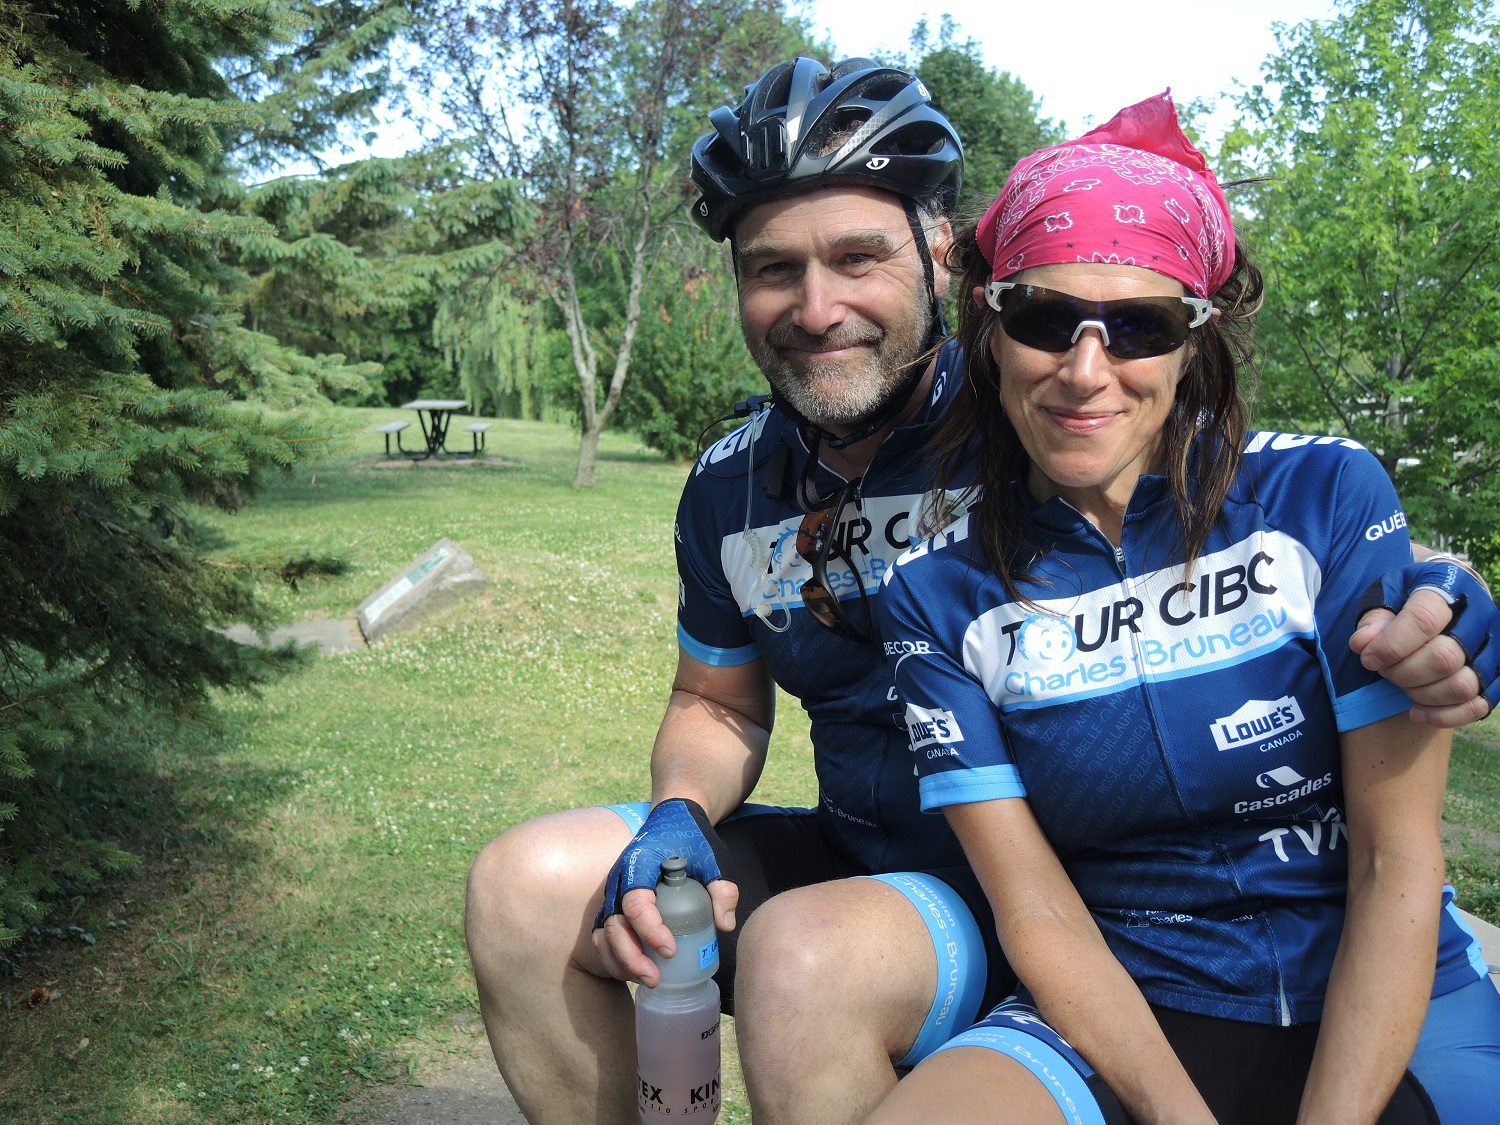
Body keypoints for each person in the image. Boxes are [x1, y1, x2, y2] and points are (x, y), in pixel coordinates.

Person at [464, 60, 1500, 1125]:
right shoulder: (733, 486)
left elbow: (1235, 498)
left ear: (943, 253)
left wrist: (1440, 596)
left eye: (857, 257)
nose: (817, 309)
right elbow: (715, 700)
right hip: (870, 849)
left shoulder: (1039, 388)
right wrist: (679, 809)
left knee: (804, 960)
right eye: (773, 269)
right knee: (526, 890)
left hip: (1048, 879)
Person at [863, 93, 1500, 1125]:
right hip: (1134, 997)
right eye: (1043, 318)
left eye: (1138, 327)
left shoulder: (1324, 498)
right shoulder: (935, 593)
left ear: (1196, 341)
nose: (1084, 369)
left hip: (1394, 984)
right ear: (990, 329)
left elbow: (1396, 857)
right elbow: (1037, 907)